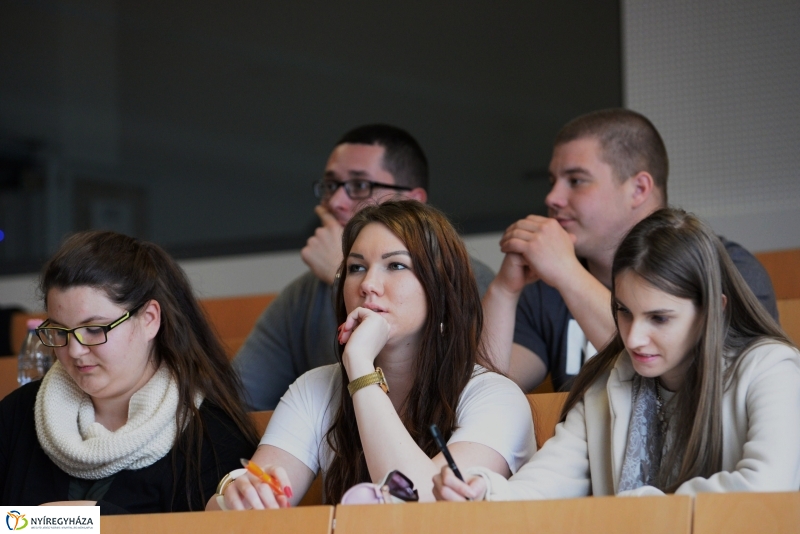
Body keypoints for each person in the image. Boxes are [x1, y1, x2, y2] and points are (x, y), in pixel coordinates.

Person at [434, 208, 800, 501]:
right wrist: (485, 492)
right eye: (624, 311)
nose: (634, 338)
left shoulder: (772, 370)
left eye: (659, 318)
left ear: (713, 312)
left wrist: (637, 507)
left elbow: (765, 490)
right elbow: (546, 483)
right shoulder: (607, 382)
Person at [209, 200, 534, 508]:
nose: (367, 284)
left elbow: (420, 508)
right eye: (356, 267)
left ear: (441, 290)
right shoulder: (314, 388)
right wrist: (235, 495)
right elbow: (239, 508)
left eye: (396, 265)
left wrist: (361, 366)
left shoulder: (497, 397)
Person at [482, 109, 777, 393]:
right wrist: (504, 290)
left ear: (638, 189)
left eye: (576, 181)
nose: (552, 197)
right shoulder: (544, 287)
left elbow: (706, 386)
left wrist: (566, 273)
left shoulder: (724, 269)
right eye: (552, 182)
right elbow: (486, 390)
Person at [234, 124, 495, 410]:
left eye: (359, 186)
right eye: (330, 186)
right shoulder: (300, 295)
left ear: (413, 202)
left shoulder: (464, 275)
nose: (336, 202)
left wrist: (339, 272)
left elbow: (475, 386)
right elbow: (237, 400)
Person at [0, 231, 258, 514]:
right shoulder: (17, 414)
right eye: (60, 331)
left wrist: (92, 520)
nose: (74, 350)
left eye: (94, 329)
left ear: (149, 319)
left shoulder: (211, 438)